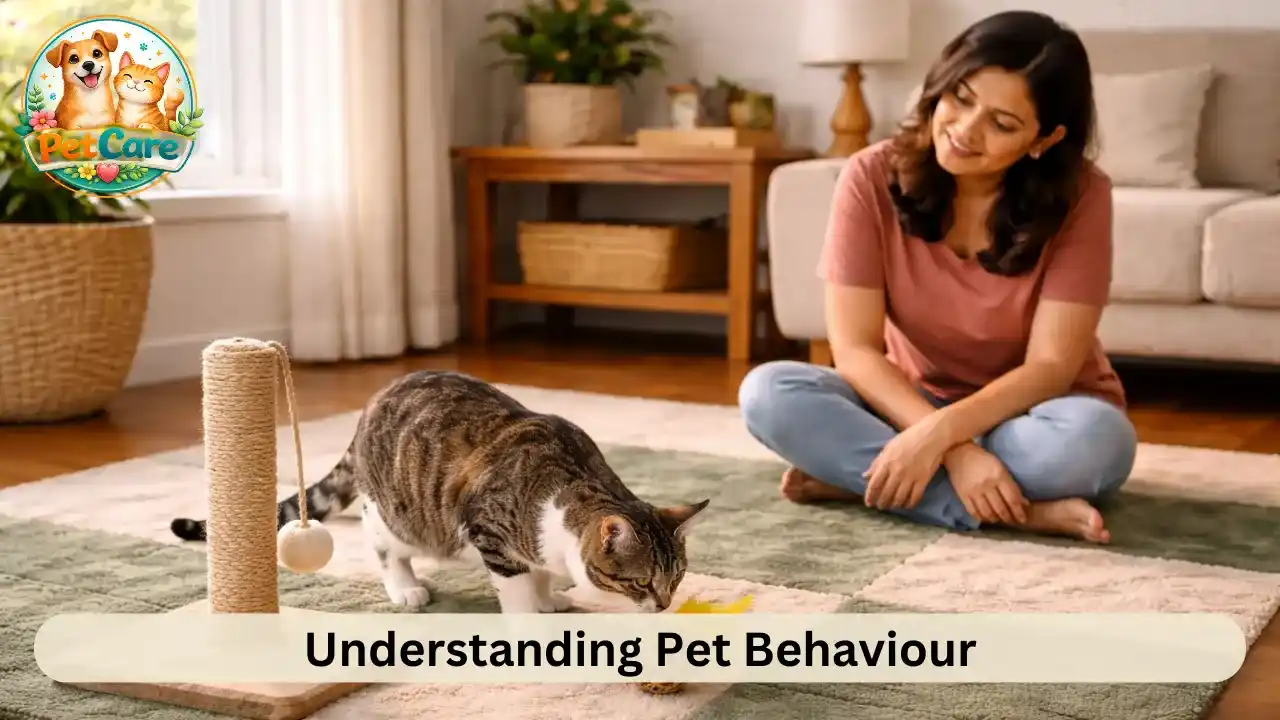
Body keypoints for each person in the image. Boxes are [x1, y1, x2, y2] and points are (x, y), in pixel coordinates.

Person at [738, 10, 1137, 544]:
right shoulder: (869, 176)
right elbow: (855, 349)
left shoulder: (1084, 195)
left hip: (1035, 413)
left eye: (1002, 123)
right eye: (962, 98)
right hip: (905, 405)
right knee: (768, 393)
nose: (965, 132)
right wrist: (952, 448)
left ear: (1044, 138)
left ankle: (865, 479)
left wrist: (941, 436)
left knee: (1097, 443)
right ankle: (1013, 510)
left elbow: (1051, 366)